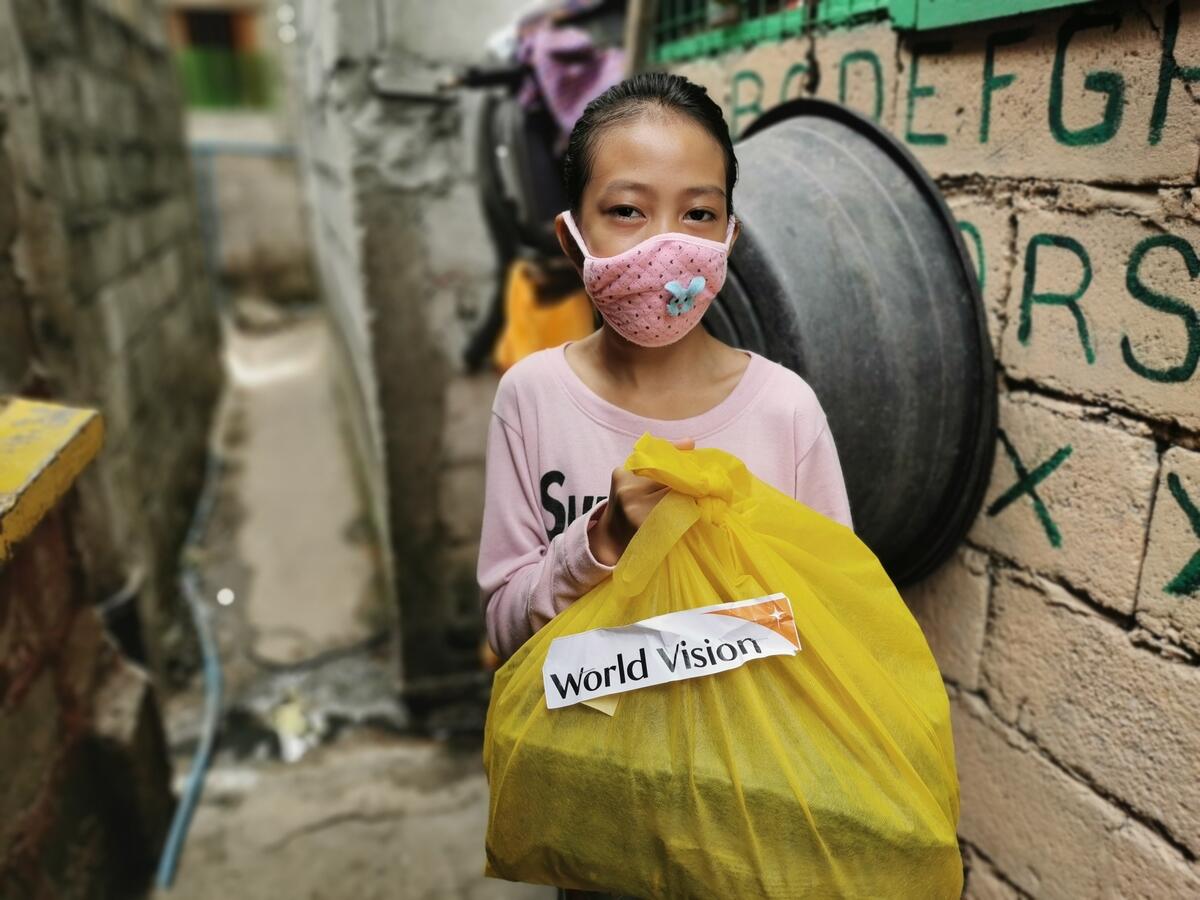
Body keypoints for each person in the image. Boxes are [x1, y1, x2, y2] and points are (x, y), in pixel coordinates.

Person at [475, 72, 855, 897]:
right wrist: (602, 538)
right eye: (626, 210)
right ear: (572, 236)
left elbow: (834, 625)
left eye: (698, 212)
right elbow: (506, 629)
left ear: (729, 235)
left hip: (745, 817)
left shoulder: (786, 411)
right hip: (596, 819)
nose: (665, 244)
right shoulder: (532, 398)